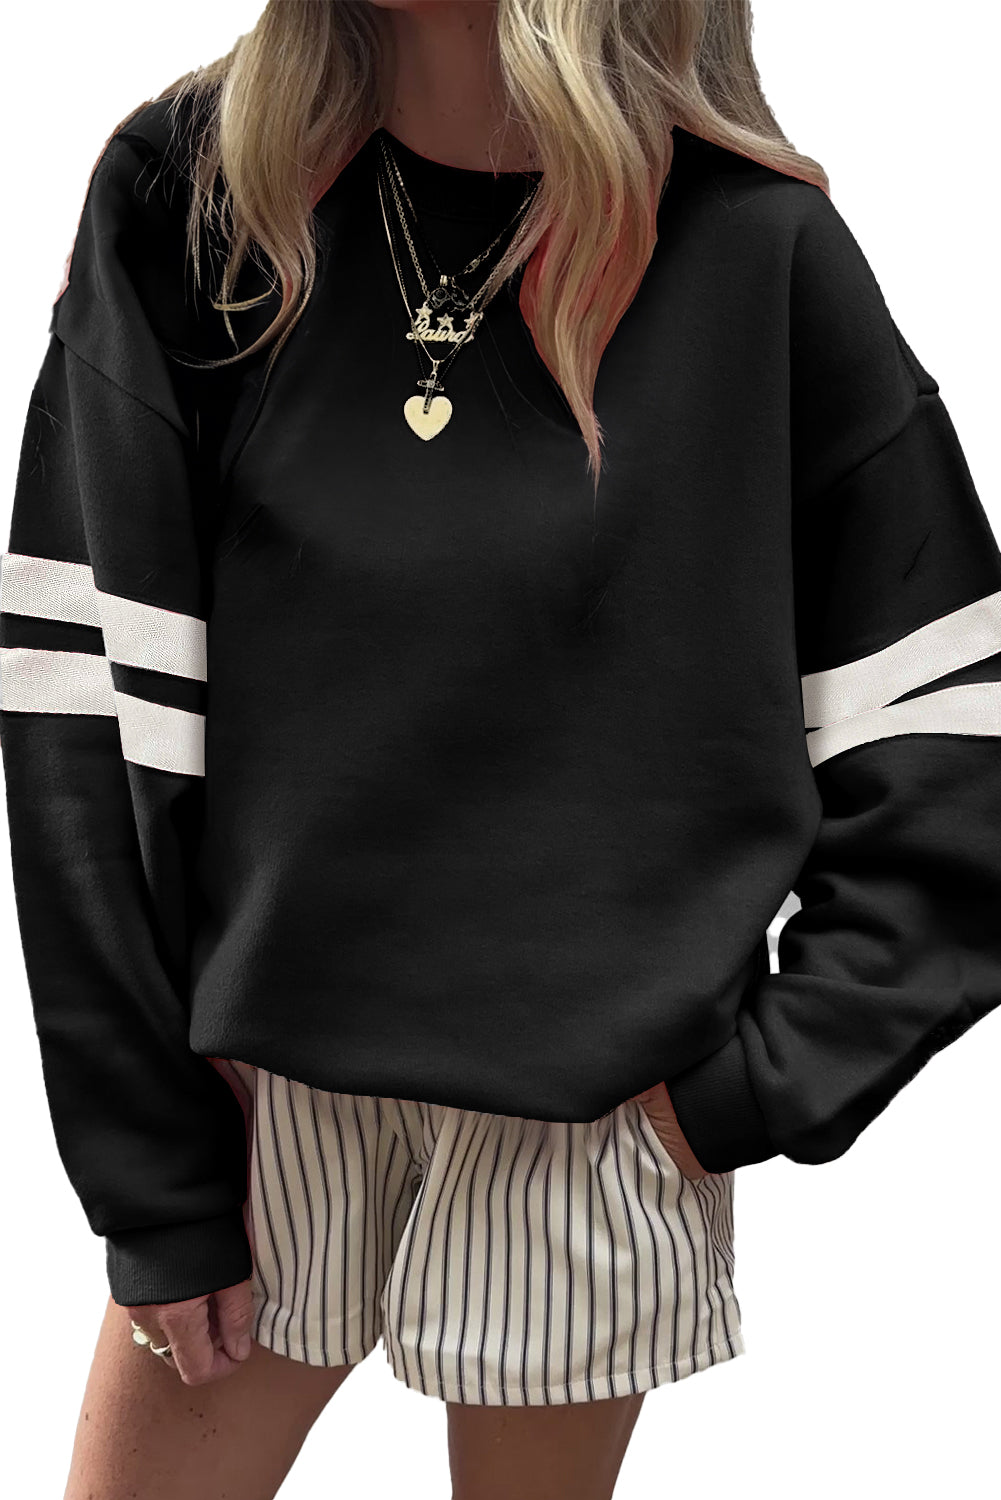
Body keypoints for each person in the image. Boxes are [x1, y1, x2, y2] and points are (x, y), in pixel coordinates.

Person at [2, 1, 1000, 1496]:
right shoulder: (197, 204)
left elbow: (953, 722)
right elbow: (81, 703)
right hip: (252, 1098)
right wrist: (147, 1160)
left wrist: (764, 1082)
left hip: (597, 1121)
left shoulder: (753, 251)